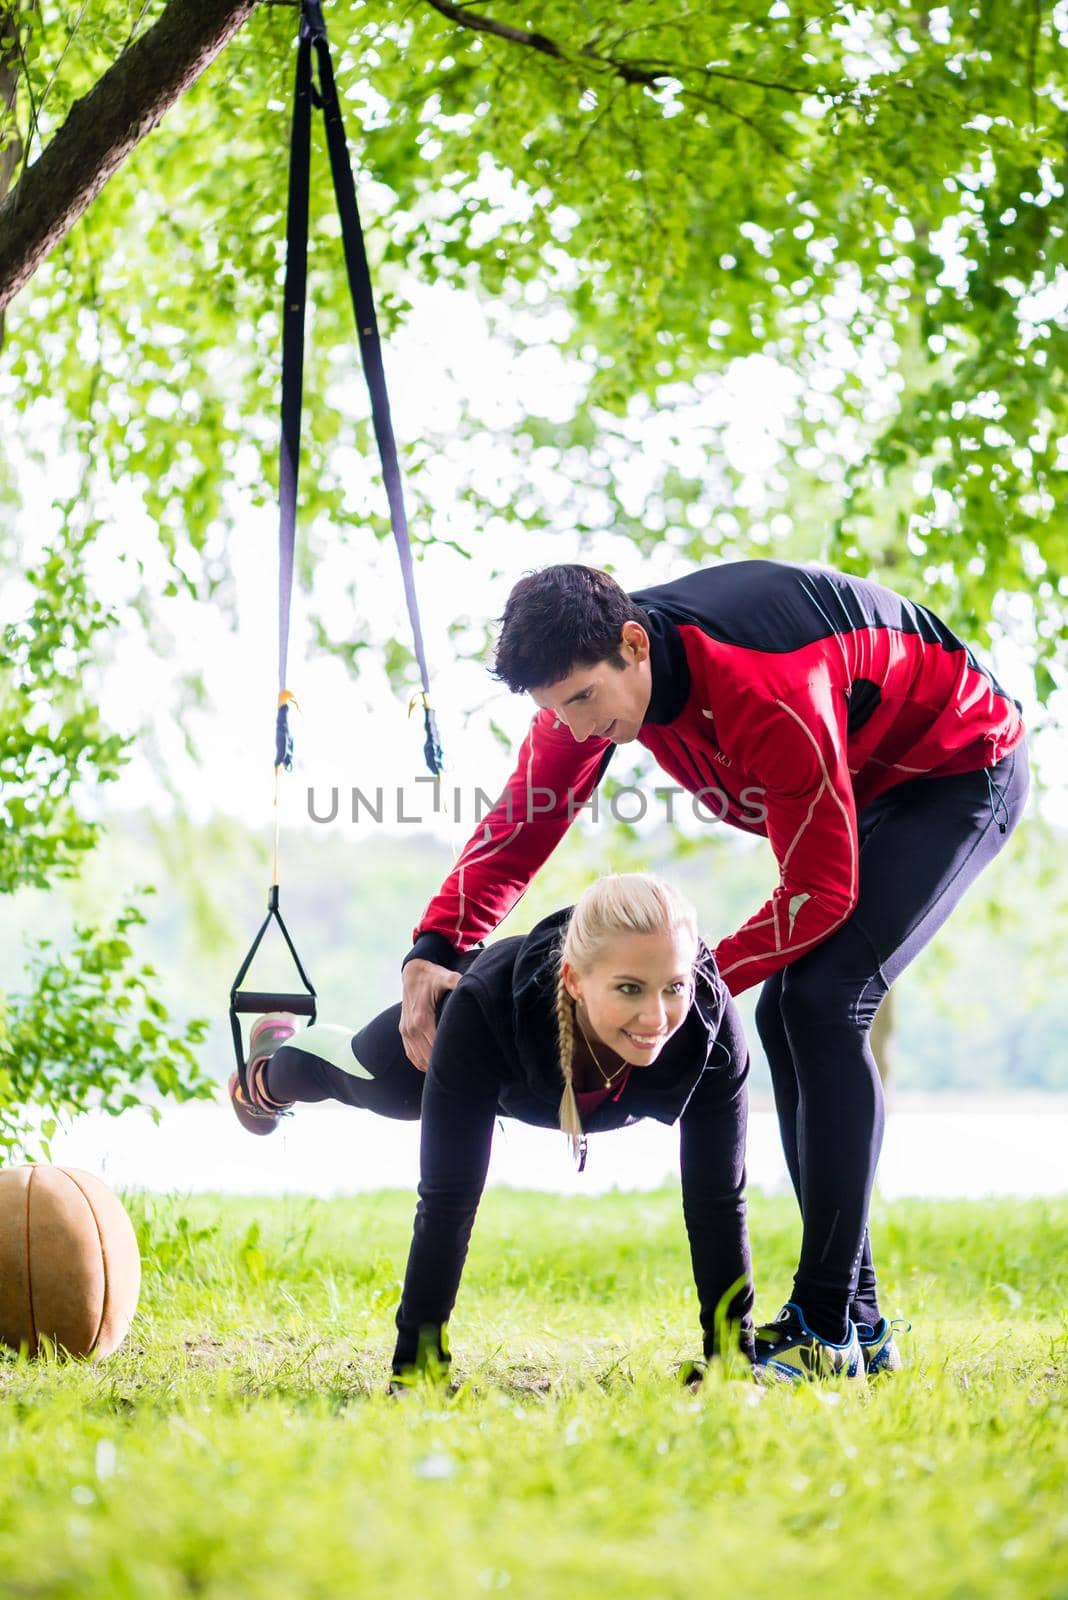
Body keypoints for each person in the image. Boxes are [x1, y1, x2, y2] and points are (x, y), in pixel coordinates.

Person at [399, 559, 1028, 1382]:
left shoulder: (767, 686)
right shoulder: (587, 683)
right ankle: (860, 1324)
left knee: (823, 1001)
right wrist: (436, 948)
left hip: (956, 769)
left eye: (582, 701)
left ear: (633, 646)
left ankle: (826, 1325)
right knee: (789, 1010)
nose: (574, 727)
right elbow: (526, 822)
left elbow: (819, 891)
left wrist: (684, 984)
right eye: (555, 710)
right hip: (859, 781)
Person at [229, 874, 757, 1385]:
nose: (656, 1017)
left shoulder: (710, 1030)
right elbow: (447, 1200)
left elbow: (718, 1202)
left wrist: (732, 1366)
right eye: (629, 989)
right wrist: (417, 1371)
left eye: (673, 987)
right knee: (354, 1076)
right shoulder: (482, 1007)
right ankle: (266, 1069)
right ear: (574, 978)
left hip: (542, 1073)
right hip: (467, 1044)